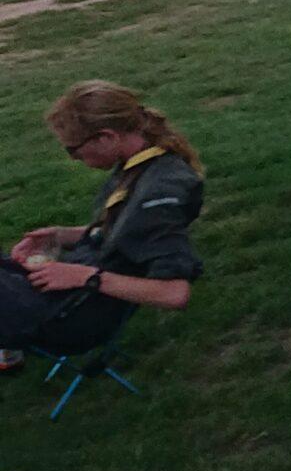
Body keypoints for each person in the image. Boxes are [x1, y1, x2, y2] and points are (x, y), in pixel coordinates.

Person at [0, 81, 204, 371]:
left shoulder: (158, 194)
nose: (74, 159)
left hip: (72, 316)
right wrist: (60, 235)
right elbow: (126, 233)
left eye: (73, 150)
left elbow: (174, 293)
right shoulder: (141, 165)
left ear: (106, 137)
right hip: (68, 295)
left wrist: (87, 277)